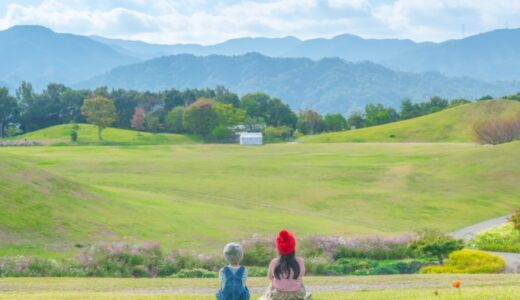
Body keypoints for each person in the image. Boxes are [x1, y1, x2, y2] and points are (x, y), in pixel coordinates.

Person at [261, 230, 311, 300]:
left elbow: (270, 277)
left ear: (279, 249)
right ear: (293, 247)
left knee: (272, 282)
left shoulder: (274, 262)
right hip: (297, 295)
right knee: (300, 281)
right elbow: (302, 274)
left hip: (278, 295)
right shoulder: (300, 261)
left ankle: (267, 296)